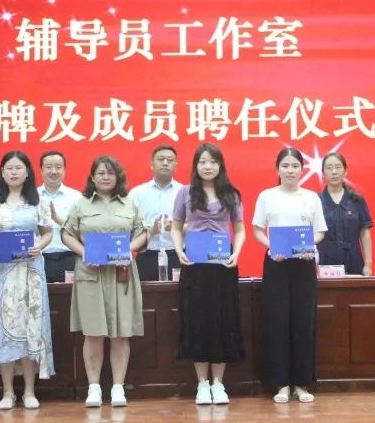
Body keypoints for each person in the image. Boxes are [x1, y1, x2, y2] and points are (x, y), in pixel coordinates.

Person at [61, 155, 147, 408]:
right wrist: (84, 252)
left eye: (110, 173)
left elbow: (142, 233)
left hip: (121, 274)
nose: (106, 177)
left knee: (121, 331)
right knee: (93, 331)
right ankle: (94, 388)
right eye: (100, 173)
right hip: (91, 273)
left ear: (118, 177)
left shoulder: (130, 204)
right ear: (92, 177)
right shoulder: (81, 205)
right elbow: (67, 234)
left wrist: (128, 249)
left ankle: (118, 387)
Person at [0, 151, 55, 410]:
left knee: (30, 326)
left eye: (19, 167)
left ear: (27, 172)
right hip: (1, 272)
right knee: (2, 328)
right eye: (9, 168)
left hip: (30, 271)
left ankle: (29, 391)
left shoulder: (38, 200)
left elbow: (48, 232)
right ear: (2, 172)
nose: (14, 172)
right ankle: (7, 392)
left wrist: (39, 245)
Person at [170, 142, 245, 405]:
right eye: (202, 162)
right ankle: (202, 383)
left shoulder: (231, 193)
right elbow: (176, 227)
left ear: (220, 165)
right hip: (194, 265)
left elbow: (240, 230)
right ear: (196, 166)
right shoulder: (185, 192)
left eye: (213, 162)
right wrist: (179, 251)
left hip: (223, 266)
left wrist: (237, 253)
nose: (208, 166)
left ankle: (218, 383)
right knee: (198, 321)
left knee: (222, 320)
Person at [252, 147, 327, 404]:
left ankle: (301, 384)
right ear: (277, 169)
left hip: (304, 264)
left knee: (303, 322)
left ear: (301, 169)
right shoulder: (267, 196)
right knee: (277, 322)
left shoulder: (311, 197)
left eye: (295, 165)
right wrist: (272, 247)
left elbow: (320, 231)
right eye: (285, 165)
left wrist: (309, 246)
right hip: (277, 263)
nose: (290, 170)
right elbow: (257, 230)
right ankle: (281, 384)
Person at [130, 145, 183, 281]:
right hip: (146, 255)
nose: (165, 163)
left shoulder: (185, 192)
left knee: (179, 293)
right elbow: (128, 226)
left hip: (177, 255)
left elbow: (195, 224)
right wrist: (150, 230)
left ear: (175, 166)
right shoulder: (137, 193)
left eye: (170, 160)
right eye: (161, 159)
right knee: (144, 294)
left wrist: (177, 227)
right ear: (152, 165)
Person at [318, 152, 373, 276]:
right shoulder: (316, 201)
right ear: (323, 173)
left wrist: (368, 264)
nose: (334, 172)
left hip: (353, 259)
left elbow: (365, 233)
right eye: (329, 168)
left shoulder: (356, 199)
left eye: (338, 167)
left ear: (345, 171)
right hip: (325, 261)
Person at [37, 150, 83, 282]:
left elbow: (82, 230)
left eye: (58, 167)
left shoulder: (76, 197)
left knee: (69, 295)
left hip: (69, 258)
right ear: (41, 170)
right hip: (39, 258)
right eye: (48, 167)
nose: (53, 171)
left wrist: (58, 219)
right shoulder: (31, 197)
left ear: (64, 170)